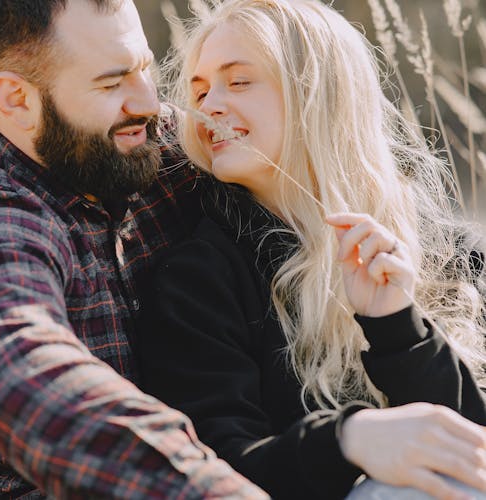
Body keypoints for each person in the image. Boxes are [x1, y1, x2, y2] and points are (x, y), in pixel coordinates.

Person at [136, 1, 486, 499]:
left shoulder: (448, 253)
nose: (208, 104)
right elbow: (210, 470)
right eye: (199, 89)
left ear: (317, 90)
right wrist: (347, 439)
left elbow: (471, 450)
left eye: (238, 82)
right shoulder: (197, 281)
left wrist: (397, 327)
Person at [0, 0, 267, 498]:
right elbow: (23, 381)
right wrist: (213, 490)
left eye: (145, 69)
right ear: (16, 100)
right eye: (111, 84)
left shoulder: (162, 148)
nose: (148, 102)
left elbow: (304, 147)